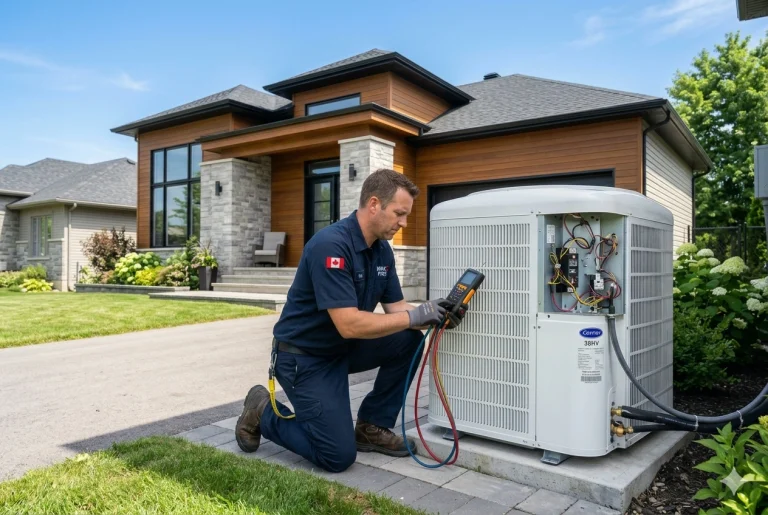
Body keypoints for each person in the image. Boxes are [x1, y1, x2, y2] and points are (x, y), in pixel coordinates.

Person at [234, 168, 448, 473]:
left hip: (342, 348)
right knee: (336, 456)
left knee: (408, 339)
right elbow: (349, 323)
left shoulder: (381, 251)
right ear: (374, 204)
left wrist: (435, 314)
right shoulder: (331, 245)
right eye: (399, 213)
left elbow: (397, 308)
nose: (404, 223)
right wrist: (412, 316)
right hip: (304, 359)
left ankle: (372, 427)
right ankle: (263, 410)